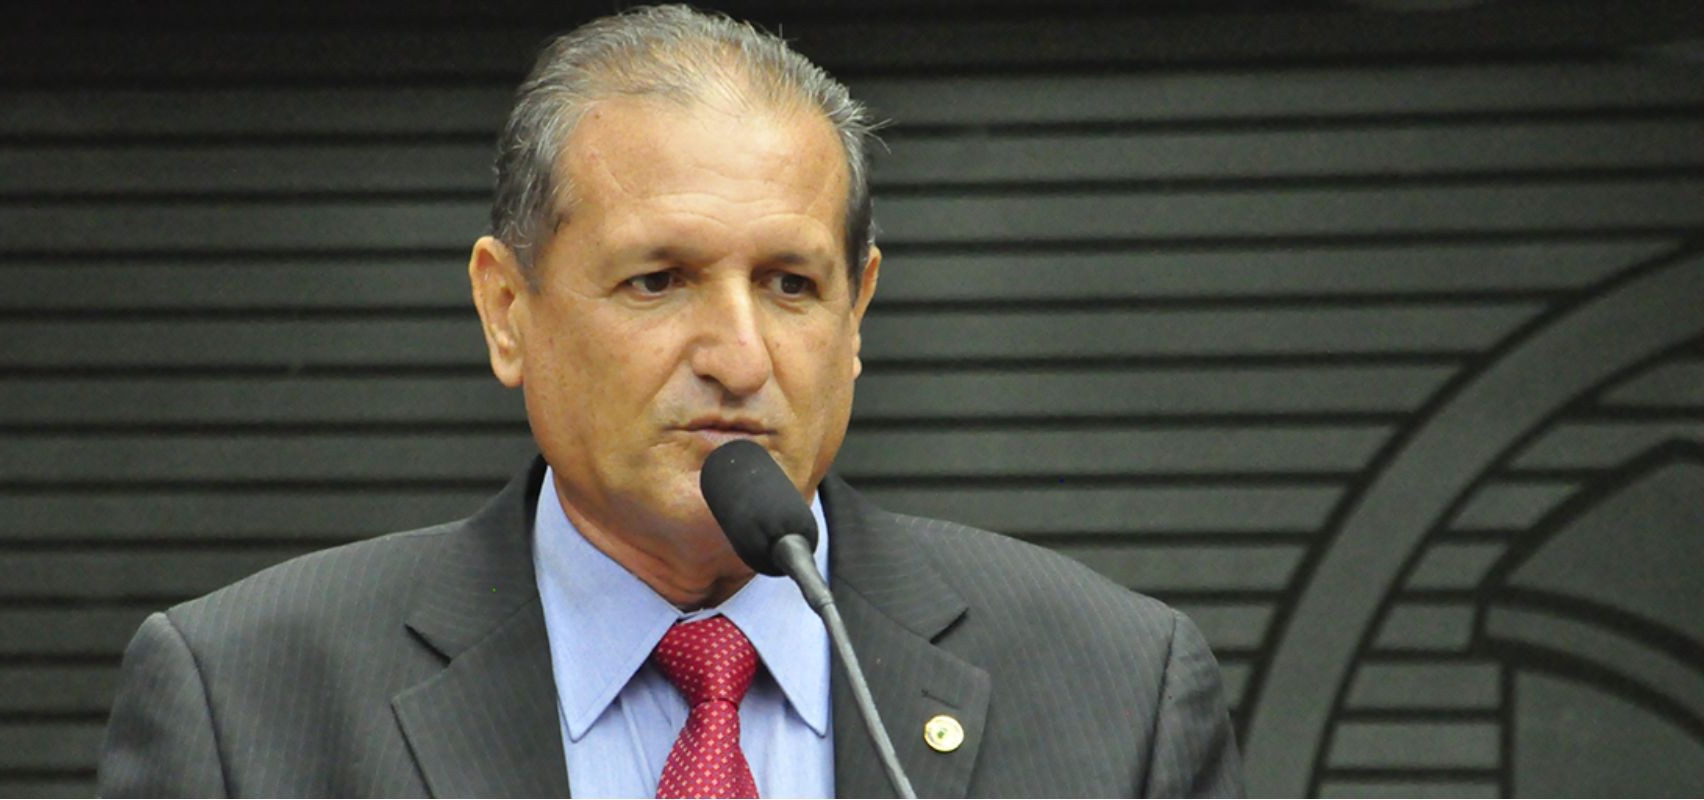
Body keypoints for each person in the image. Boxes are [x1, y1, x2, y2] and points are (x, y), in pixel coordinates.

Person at [98, 5, 1243, 797]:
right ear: (507, 310)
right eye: (658, 280)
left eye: (789, 284)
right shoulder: (246, 700)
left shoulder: (1117, 692)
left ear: (856, 314)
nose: (738, 356)